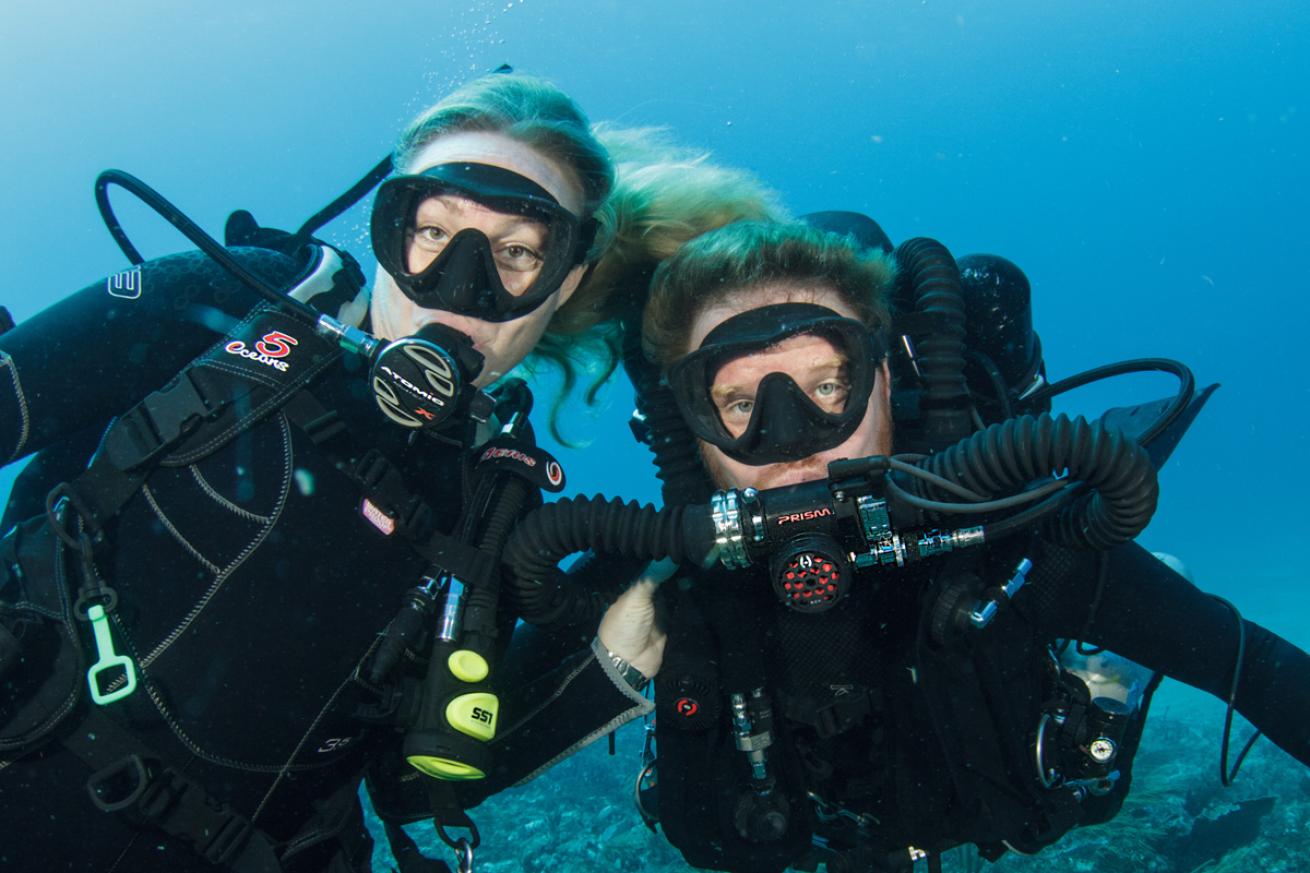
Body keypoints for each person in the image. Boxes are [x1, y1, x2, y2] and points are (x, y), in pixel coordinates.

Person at [0, 71, 780, 872]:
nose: (460, 288)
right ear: (385, 229)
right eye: (434, 233)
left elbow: (415, 779)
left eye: (515, 253)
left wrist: (609, 661)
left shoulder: (494, 501)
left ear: (566, 282)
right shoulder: (221, 306)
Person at [517, 219, 1310, 872]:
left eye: (828, 386)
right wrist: (613, 669)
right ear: (688, 433)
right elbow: (455, 765)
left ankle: (1109, 676)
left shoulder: (1012, 537)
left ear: (888, 382)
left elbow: (1266, 673)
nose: (789, 444)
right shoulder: (662, 579)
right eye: (737, 402)